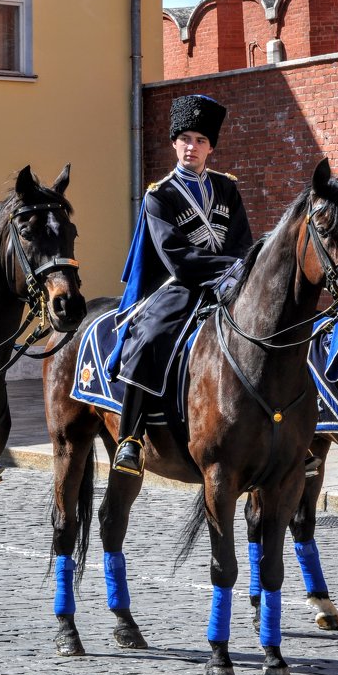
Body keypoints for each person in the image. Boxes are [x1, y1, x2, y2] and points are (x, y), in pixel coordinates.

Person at [106, 94, 253, 475]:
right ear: (174, 143)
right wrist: (229, 269)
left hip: (229, 284)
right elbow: (177, 256)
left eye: (201, 140)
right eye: (185, 138)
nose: (192, 146)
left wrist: (235, 271)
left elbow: (242, 243)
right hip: (180, 286)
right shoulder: (160, 195)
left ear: (211, 148)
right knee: (151, 336)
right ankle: (131, 438)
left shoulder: (227, 189)